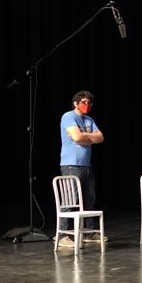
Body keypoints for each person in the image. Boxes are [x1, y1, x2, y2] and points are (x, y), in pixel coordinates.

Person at [58, 90, 106, 247]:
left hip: (86, 165)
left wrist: (86, 137)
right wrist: (88, 137)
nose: (87, 105)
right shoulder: (68, 116)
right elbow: (77, 137)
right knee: (69, 200)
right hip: (71, 165)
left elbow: (100, 137)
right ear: (76, 103)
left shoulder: (89, 119)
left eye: (89, 103)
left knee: (89, 200)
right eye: (84, 102)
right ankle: (63, 235)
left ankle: (88, 232)